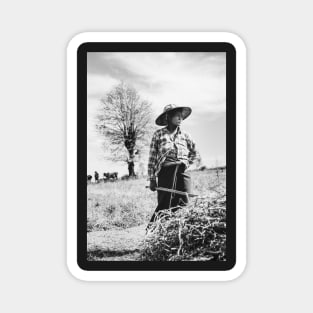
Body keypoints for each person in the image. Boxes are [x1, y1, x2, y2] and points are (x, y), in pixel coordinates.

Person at [147, 104, 201, 225]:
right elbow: (152, 158)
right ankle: (153, 232)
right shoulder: (158, 134)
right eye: (176, 115)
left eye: (181, 116)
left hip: (183, 172)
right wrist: (152, 179)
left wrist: (187, 164)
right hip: (165, 172)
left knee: (184, 202)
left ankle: (181, 231)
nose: (180, 118)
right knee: (164, 203)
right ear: (168, 117)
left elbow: (195, 153)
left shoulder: (186, 135)